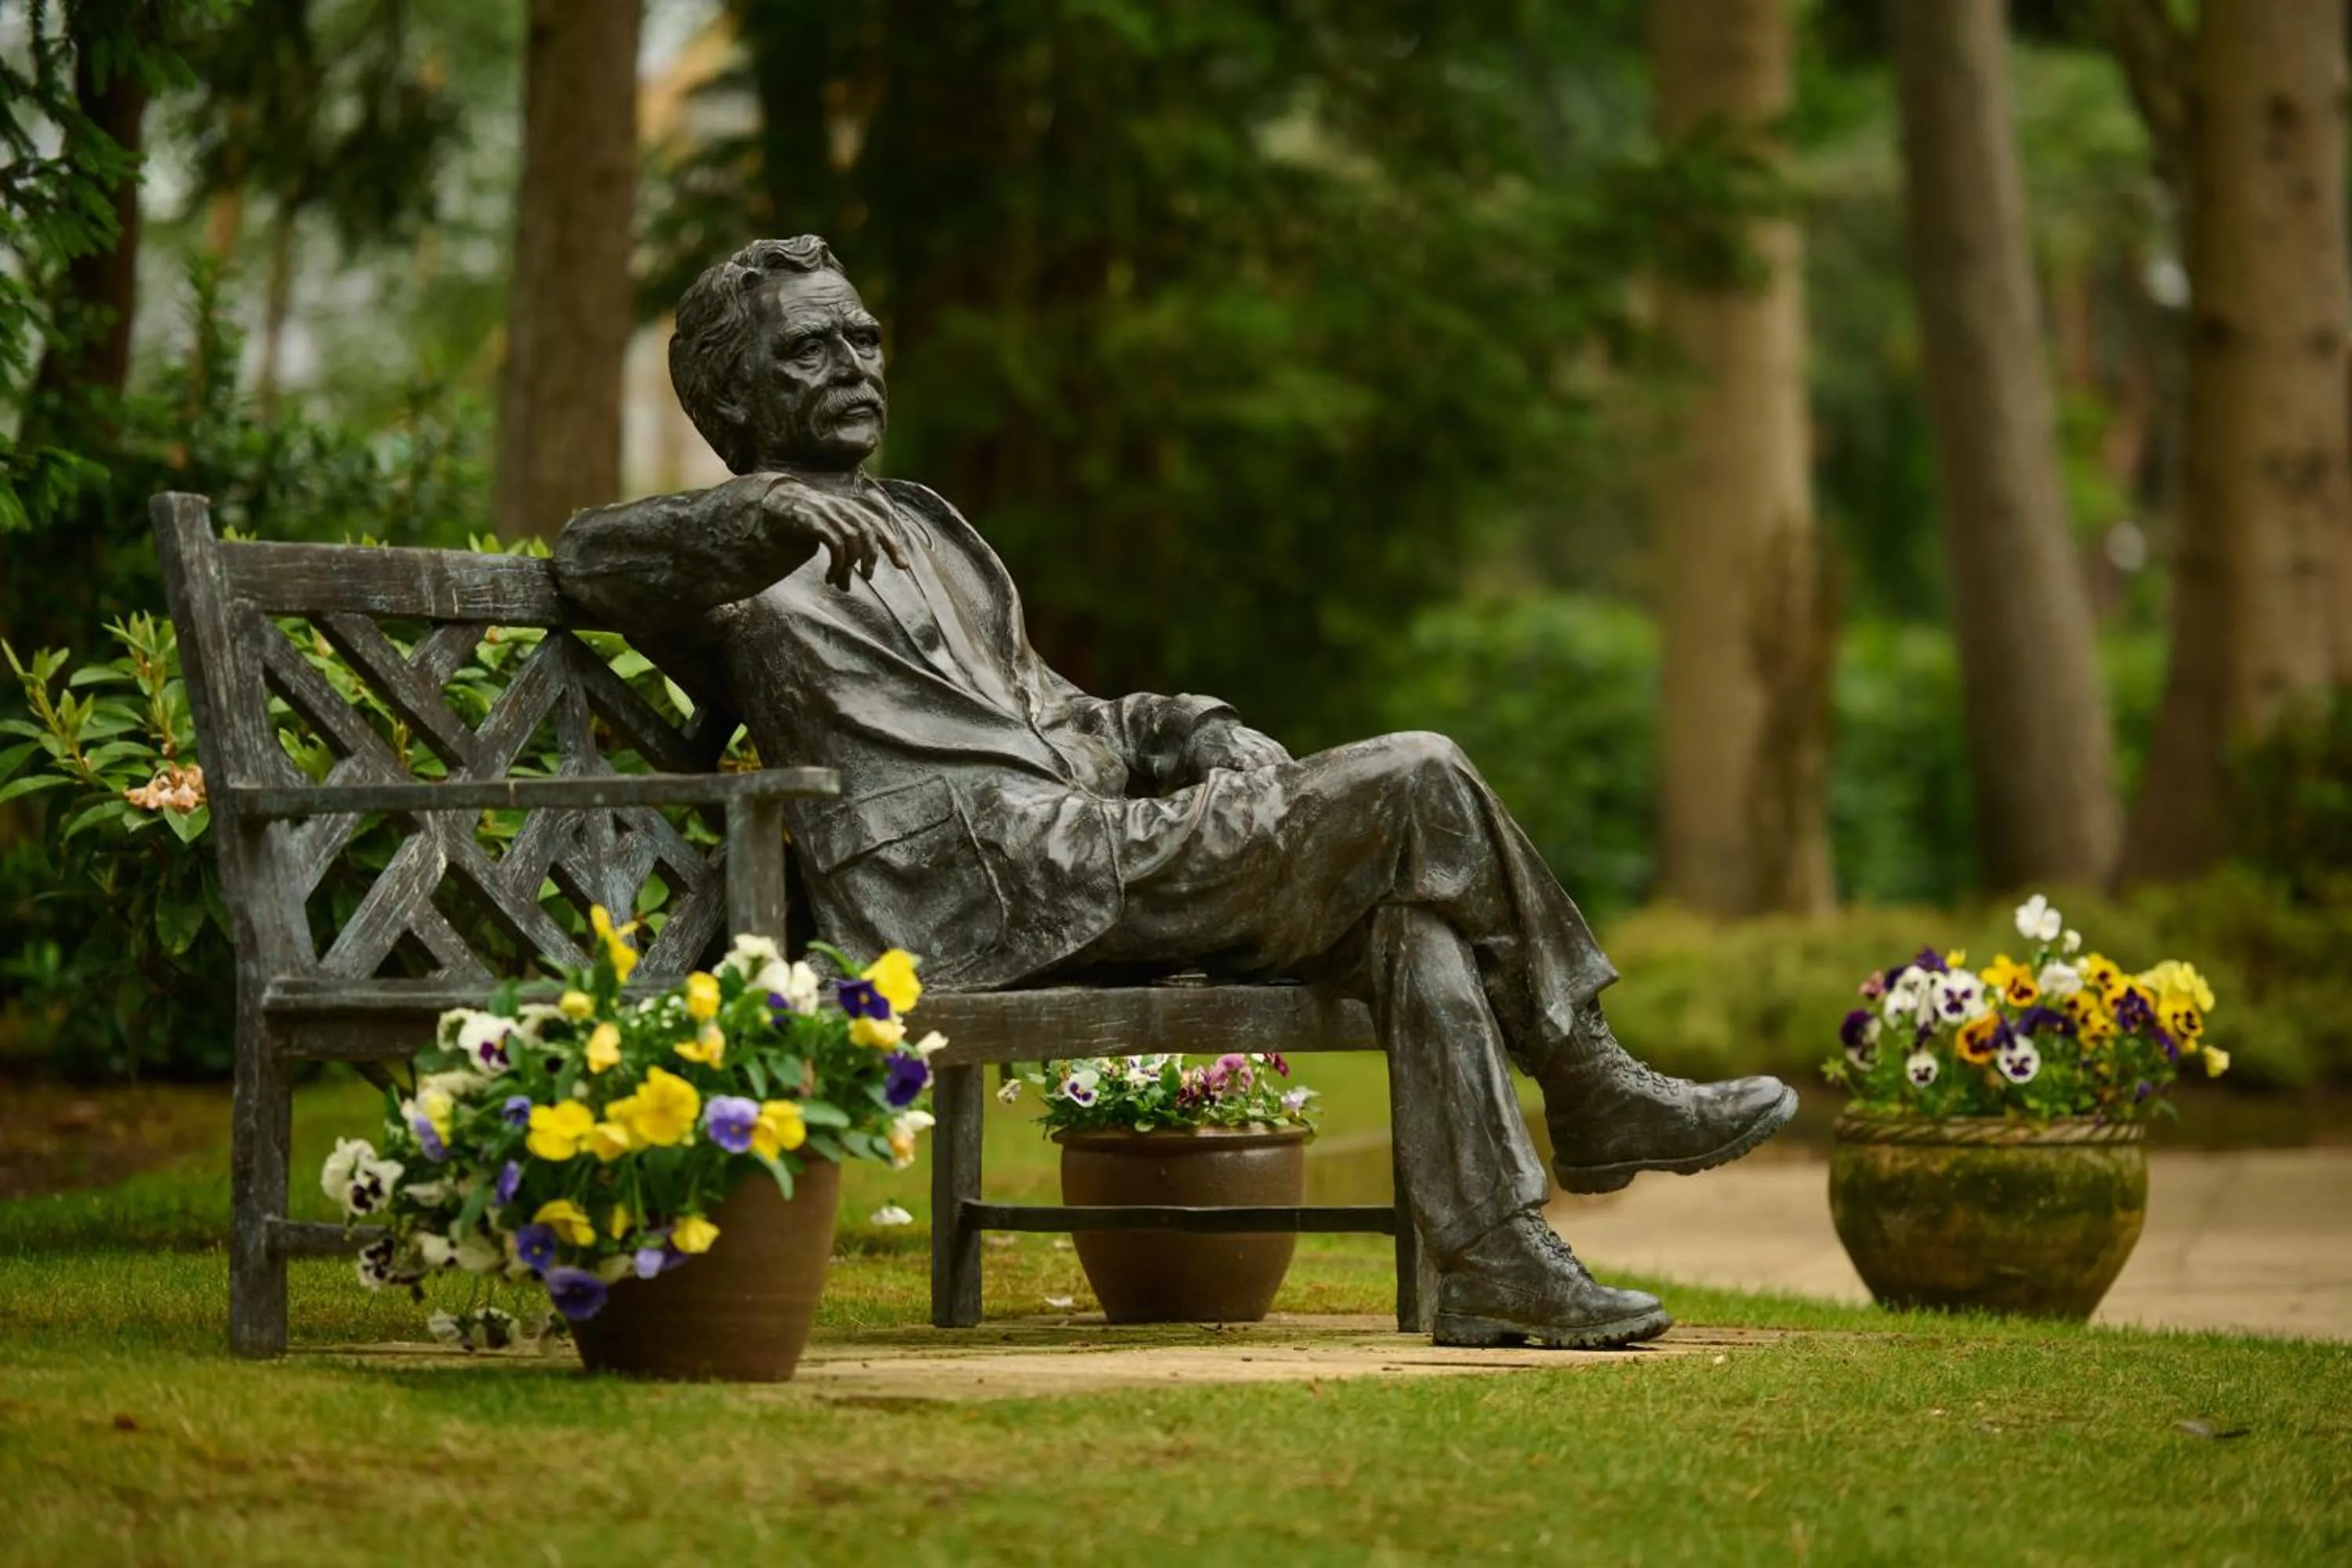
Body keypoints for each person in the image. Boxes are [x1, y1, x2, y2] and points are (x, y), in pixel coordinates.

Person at [553, 236, 1796, 1349]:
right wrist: (762, 507)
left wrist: (1196, 730)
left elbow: (1057, 711)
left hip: (1075, 850)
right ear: (730, 392)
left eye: (864, 336)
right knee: (1419, 773)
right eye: (810, 347)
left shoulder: (925, 525)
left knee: (1409, 914)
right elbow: (585, 557)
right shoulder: (721, 567)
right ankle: (1587, 1083)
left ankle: (1495, 1264)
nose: (855, 363)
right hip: (968, 895)